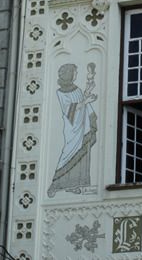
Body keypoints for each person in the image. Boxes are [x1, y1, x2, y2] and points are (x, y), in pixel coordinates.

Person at [48, 63, 98, 197]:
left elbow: (82, 98)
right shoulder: (60, 92)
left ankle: (75, 184)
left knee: (82, 153)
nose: (76, 75)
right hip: (73, 128)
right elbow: (70, 110)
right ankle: (56, 184)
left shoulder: (76, 89)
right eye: (74, 73)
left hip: (83, 126)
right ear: (68, 74)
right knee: (68, 154)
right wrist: (86, 101)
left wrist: (89, 88)